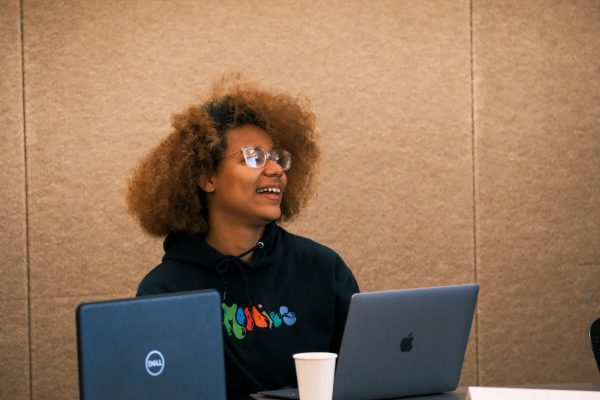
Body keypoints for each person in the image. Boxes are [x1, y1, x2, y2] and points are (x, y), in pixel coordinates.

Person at [126, 74, 359, 400]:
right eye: (253, 157)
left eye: (278, 158)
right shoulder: (165, 292)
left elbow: (364, 377)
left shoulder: (322, 270)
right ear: (207, 176)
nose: (276, 170)